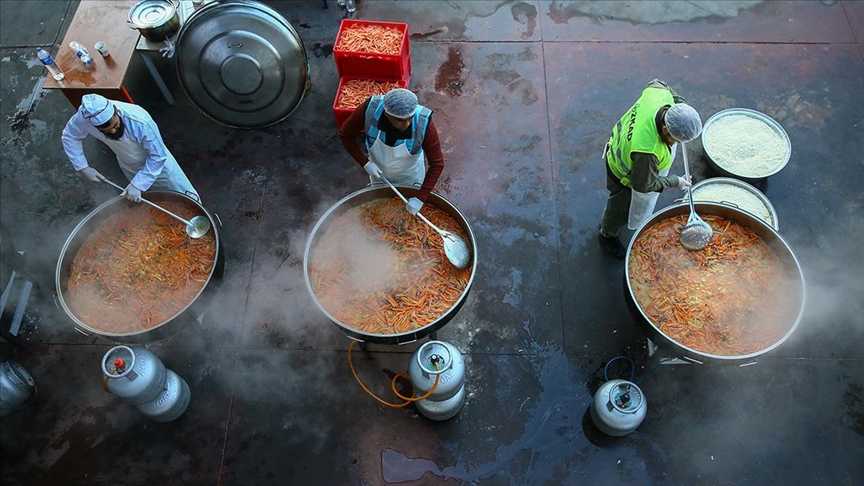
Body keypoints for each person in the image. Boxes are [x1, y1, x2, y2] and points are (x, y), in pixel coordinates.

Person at [598, 79, 702, 259]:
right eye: (675, 139)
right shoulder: (647, 152)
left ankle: (608, 230)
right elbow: (643, 185)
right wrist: (675, 181)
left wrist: (680, 108)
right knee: (618, 208)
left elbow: (659, 82)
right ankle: (607, 234)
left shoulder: (659, 94)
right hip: (621, 173)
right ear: (664, 129)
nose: (677, 143)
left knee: (619, 206)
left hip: (619, 143)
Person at [61, 94, 199, 202]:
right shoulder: (83, 119)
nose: (113, 132)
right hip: (128, 164)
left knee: (183, 195)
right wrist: (82, 166)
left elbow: (158, 156)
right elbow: (69, 136)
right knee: (152, 200)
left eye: (115, 126)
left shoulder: (139, 121)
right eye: (107, 131)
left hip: (159, 166)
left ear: (116, 111)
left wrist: (139, 184)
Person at [338, 88, 444, 215]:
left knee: (407, 211)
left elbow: (437, 164)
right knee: (381, 208)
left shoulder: (423, 122)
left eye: (410, 118)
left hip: (410, 174)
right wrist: (365, 163)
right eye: (400, 120)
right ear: (387, 114)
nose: (407, 123)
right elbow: (345, 134)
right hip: (378, 171)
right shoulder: (370, 110)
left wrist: (420, 198)